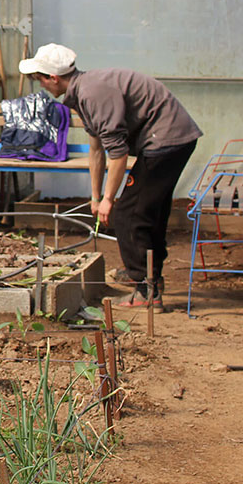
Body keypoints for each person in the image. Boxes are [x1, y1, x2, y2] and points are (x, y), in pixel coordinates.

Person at [19, 43, 202, 310]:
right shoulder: (83, 92)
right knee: (149, 210)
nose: (41, 85)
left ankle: (146, 290)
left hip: (167, 140)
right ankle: (148, 275)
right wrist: (95, 197)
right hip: (169, 139)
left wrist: (108, 199)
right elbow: (96, 150)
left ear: (53, 78)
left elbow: (118, 154)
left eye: (40, 79)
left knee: (130, 213)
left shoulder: (92, 93)